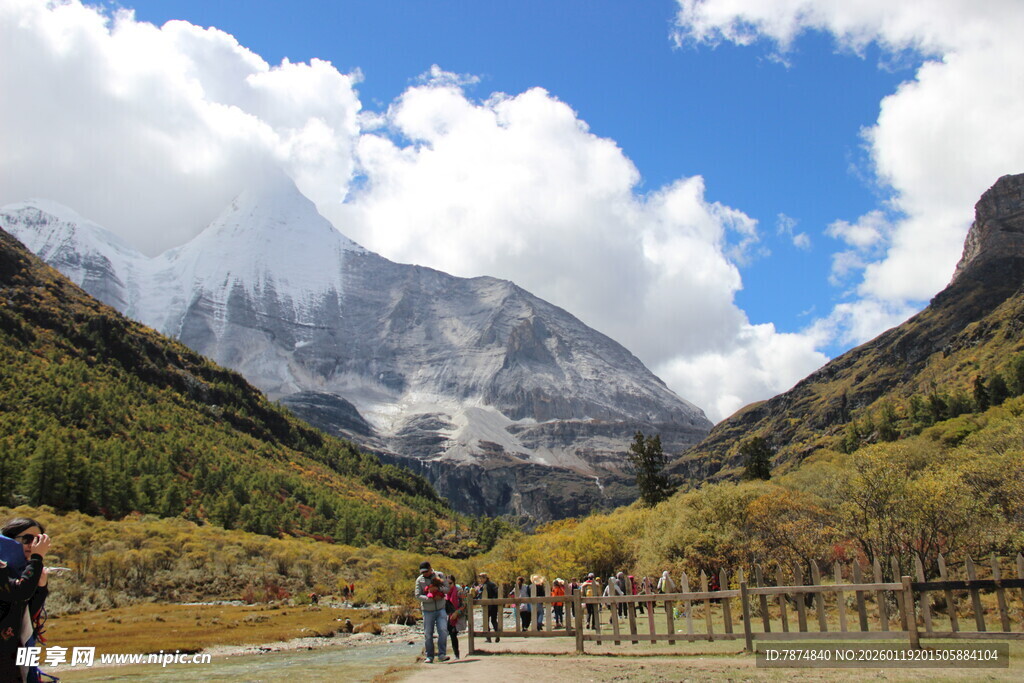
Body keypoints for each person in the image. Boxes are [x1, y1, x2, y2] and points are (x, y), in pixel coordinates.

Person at [0, 518, 51, 682]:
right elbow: (20, 592)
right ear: (9, 541)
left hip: (10, 654)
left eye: (38, 540)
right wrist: (36, 558)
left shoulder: (23, 572)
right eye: (28, 539)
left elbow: (27, 613)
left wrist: (41, 588)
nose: (33, 545)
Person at [415, 561, 449, 663]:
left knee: (443, 631)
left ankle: (442, 654)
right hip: (427, 611)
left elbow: (447, 588)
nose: (424, 574)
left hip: (441, 609)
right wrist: (430, 598)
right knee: (428, 634)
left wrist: (438, 590)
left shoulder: (440, 575)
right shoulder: (419, 580)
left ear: (430, 568)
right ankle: (429, 656)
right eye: (422, 572)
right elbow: (417, 595)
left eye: (426, 571)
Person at [445, 573, 467, 659]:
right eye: (447, 584)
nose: (449, 585)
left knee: (454, 632)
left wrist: (456, 613)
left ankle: (456, 655)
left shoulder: (459, 591)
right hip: (450, 615)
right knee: (451, 633)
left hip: (459, 614)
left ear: (454, 583)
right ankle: (456, 654)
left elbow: (464, 604)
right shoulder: (446, 593)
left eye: (450, 583)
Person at [476, 572, 500, 643]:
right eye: (480, 578)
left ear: (485, 578)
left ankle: (491, 636)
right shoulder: (485, 585)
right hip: (490, 606)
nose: (480, 580)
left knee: (489, 621)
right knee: (491, 621)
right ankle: (493, 636)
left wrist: (492, 601)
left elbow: (496, 594)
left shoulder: (490, 585)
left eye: (481, 578)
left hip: (491, 606)